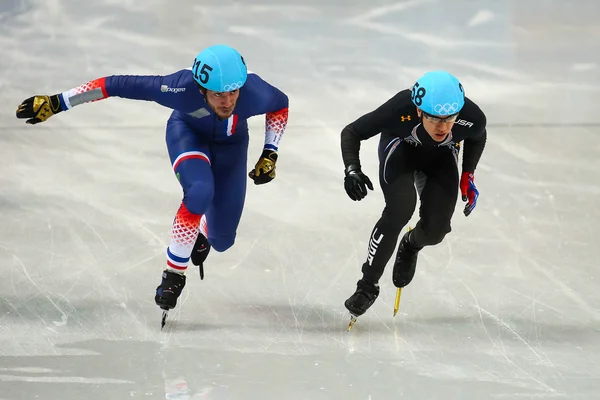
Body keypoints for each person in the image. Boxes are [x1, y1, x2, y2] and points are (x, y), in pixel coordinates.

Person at [16, 44, 289, 315]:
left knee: (222, 241)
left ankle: (201, 231)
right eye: (218, 95)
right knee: (200, 192)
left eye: (232, 92)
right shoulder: (179, 88)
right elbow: (113, 85)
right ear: (201, 89)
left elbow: (281, 105)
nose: (228, 102)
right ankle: (174, 275)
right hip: (188, 135)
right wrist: (58, 102)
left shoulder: (253, 92)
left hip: (232, 147)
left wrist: (270, 152)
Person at [341, 70, 486, 319]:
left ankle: (410, 245)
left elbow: (477, 135)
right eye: (434, 119)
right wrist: (352, 169)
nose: (442, 126)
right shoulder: (399, 108)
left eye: (450, 118)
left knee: (436, 230)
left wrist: (468, 175)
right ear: (418, 111)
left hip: (441, 159)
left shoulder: (472, 116)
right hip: (401, 152)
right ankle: (367, 285)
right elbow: (352, 132)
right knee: (400, 209)